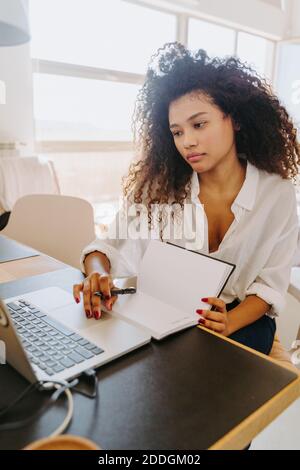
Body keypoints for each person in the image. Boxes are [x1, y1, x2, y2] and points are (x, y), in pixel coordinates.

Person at [73, 42, 300, 355]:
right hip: (168, 315)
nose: (187, 142)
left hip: (241, 323)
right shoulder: (160, 187)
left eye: (199, 124)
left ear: (234, 119)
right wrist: (97, 273)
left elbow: (269, 285)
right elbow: (107, 247)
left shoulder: (277, 195)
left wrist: (228, 321)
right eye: (177, 132)